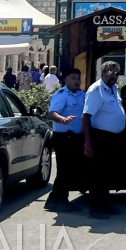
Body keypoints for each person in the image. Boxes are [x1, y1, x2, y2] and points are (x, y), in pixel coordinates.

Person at [83, 61, 126, 218]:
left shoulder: (114, 89)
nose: (114, 76)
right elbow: (86, 117)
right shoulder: (97, 90)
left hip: (112, 138)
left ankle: (105, 204)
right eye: (110, 73)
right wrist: (88, 142)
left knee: (107, 173)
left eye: (117, 73)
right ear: (102, 73)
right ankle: (95, 208)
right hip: (100, 137)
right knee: (98, 174)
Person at [45, 67, 86, 213]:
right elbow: (52, 113)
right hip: (64, 137)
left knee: (69, 170)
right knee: (65, 170)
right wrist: (63, 120)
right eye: (73, 78)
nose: (77, 81)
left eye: (78, 78)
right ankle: (61, 201)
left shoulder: (82, 95)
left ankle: (53, 200)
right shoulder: (62, 95)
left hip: (77, 137)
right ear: (66, 80)